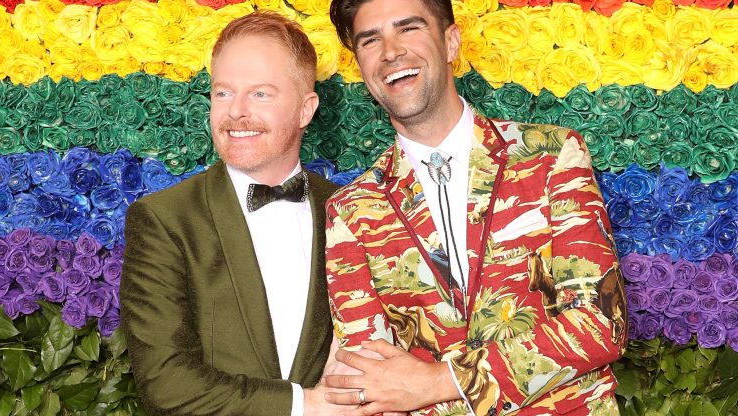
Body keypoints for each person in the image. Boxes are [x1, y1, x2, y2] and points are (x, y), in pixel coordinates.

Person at [321, 0, 628, 415]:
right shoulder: (350, 211)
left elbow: (600, 323)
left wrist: (440, 381)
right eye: (370, 40)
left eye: (408, 28)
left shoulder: (551, 156)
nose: (390, 51)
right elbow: (370, 378)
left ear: (450, 42)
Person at [120, 12, 351, 415]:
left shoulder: (351, 211)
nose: (236, 112)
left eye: (260, 94)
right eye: (223, 93)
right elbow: (166, 383)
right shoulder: (163, 219)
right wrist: (306, 406)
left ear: (305, 109)